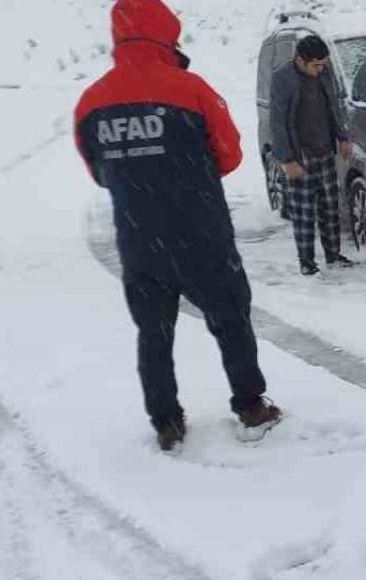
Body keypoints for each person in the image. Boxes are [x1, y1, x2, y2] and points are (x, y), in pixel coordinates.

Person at [74, 0, 281, 452]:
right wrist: (187, 175)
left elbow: (97, 170)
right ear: (167, 34)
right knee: (230, 319)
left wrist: (137, 175)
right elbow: (230, 153)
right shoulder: (191, 89)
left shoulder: (91, 102)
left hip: (138, 238)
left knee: (153, 332)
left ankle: (166, 421)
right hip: (200, 233)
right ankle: (249, 404)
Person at [269, 35, 355, 276]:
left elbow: (333, 109)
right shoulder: (283, 79)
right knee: (304, 212)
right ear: (300, 60)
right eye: (316, 65)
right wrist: (287, 159)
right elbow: (277, 122)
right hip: (300, 155)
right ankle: (307, 262)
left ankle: (333, 254)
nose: (321, 69)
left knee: (330, 208)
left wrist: (343, 138)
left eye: (323, 64)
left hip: (324, 150)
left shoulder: (323, 74)